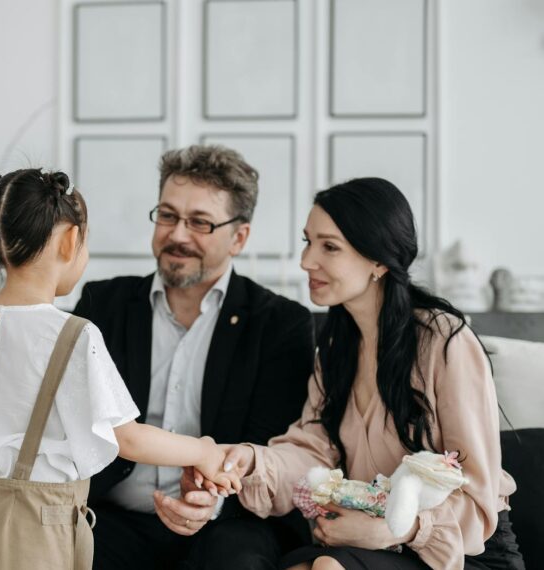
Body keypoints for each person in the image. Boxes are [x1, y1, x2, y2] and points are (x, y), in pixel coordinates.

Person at [0, 168, 242, 570]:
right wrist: (202, 450)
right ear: (71, 241)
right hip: (36, 524)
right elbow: (125, 437)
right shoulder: (73, 334)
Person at [217, 177, 525, 570]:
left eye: (329, 247)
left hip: (465, 550)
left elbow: (477, 494)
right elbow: (312, 451)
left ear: (379, 260)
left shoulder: (444, 342)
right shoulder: (334, 348)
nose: (306, 261)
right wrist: (248, 461)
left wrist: (398, 530)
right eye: (308, 241)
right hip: (375, 544)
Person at [73, 145, 315, 569]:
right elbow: (74, 427)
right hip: (111, 514)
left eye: (199, 222)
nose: (177, 235)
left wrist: (212, 502)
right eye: (167, 215)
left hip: (228, 520)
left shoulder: (280, 325)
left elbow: (270, 446)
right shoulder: (103, 304)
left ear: (239, 237)